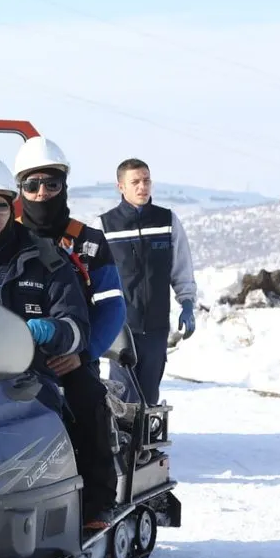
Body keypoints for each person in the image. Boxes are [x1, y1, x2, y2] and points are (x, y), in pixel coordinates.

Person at [0, 158, 107, 529]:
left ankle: (94, 504)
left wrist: (51, 332)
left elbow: (77, 324)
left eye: (0, 206)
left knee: (87, 395)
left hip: (35, 367)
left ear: (13, 208)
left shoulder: (46, 257)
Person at [11, 136, 125, 528]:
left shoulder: (89, 243)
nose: (42, 193)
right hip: (8, 355)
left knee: (88, 400)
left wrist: (84, 353)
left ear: (64, 186)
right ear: (19, 189)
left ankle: (97, 502)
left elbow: (113, 306)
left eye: (51, 184)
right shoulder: (3, 239)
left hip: (70, 354)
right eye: (32, 184)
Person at [92, 157, 198, 407]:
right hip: (120, 326)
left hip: (156, 326)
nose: (143, 187)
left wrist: (188, 304)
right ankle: (123, 445)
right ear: (121, 187)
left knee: (149, 395)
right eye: (135, 182)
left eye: (146, 180)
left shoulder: (167, 221)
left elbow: (181, 267)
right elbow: (92, 276)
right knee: (124, 395)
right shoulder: (105, 226)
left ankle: (145, 446)